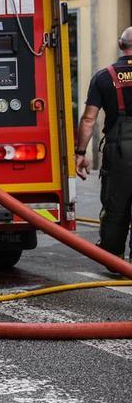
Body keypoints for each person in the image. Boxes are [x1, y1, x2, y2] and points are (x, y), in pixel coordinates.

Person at [76, 27, 132, 260]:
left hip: (119, 150)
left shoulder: (104, 76)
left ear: (120, 46)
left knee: (116, 205)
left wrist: (80, 152)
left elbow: (89, 119)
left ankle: (112, 257)